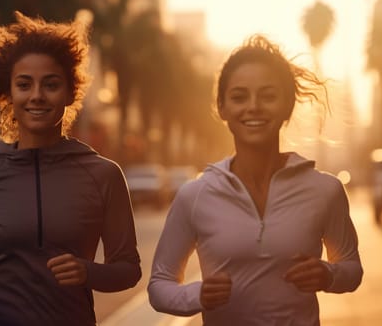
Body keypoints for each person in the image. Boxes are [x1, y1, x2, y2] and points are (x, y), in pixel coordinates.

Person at [147, 34, 363, 325]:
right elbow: (159, 285)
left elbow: (351, 269)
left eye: (268, 96)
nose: (253, 107)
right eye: (239, 97)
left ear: (287, 105)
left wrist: (328, 274)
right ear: (222, 108)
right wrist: (197, 295)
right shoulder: (195, 195)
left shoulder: (325, 190)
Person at [0, 11, 141, 326]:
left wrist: (87, 272)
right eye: (24, 84)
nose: (36, 95)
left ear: (69, 92)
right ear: (9, 93)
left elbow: (128, 269)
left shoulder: (104, 175)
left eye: (50, 84)